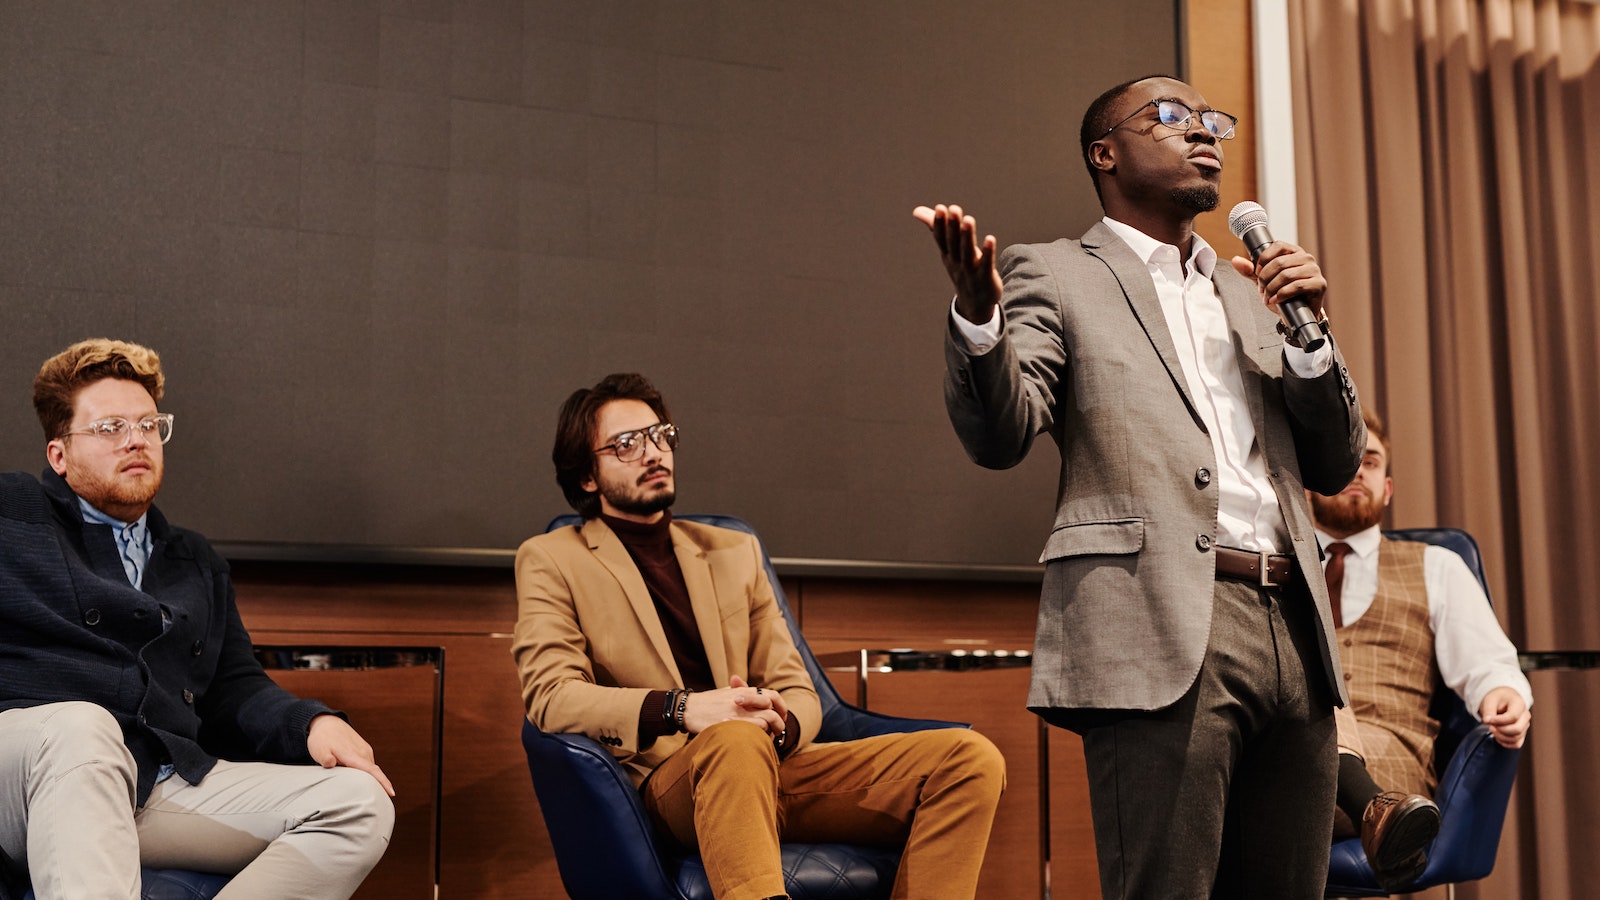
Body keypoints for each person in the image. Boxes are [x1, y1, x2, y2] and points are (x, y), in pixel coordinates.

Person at [915, 75, 1366, 897]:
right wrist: (979, 320)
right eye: (1171, 116)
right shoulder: (1052, 273)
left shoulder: (1254, 288)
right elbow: (1001, 433)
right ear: (1105, 152)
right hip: (1157, 620)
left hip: (1293, 622)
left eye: (1211, 121)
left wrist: (1313, 340)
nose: (1203, 133)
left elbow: (1335, 466)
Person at [512, 373, 1006, 900]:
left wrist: (777, 722)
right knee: (731, 737)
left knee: (970, 759)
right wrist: (685, 709)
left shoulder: (733, 551)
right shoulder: (551, 558)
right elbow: (552, 697)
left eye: (660, 436)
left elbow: (797, 687)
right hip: (669, 785)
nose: (653, 453)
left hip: (770, 763)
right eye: (627, 444)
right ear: (588, 476)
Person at [0, 339, 395, 900]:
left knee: (359, 803)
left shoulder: (195, 560)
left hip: (153, 784)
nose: (136, 439)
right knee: (82, 729)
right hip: (26, 770)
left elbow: (233, 688)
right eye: (110, 427)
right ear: (59, 455)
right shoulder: (13, 512)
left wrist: (309, 723)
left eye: (147, 424)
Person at [1312, 409, 1532, 890]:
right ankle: (1368, 810)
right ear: (1311, 480)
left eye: (1369, 462)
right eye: (1344, 462)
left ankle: (1380, 808)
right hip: (1290, 753)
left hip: (1396, 760)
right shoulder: (1276, 566)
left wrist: (1505, 695)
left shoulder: (1439, 566)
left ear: (1387, 489)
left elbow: (1490, 665)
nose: (1356, 472)